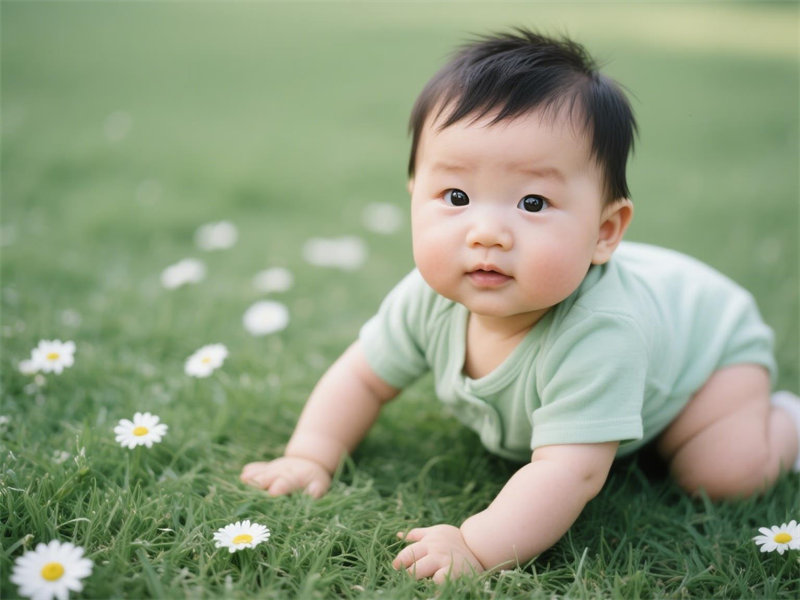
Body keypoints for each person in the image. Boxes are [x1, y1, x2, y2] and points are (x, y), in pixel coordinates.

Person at [240, 29, 800, 583]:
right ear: (414, 196)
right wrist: (310, 455)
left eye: (532, 202)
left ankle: (786, 422)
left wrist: (476, 545)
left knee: (721, 475)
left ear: (604, 231)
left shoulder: (601, 331)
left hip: (709, 349)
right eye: (456, 197)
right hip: (663, 332)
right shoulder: (425, 299)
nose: (487, 232)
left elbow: (569, 472)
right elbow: (363, 377)